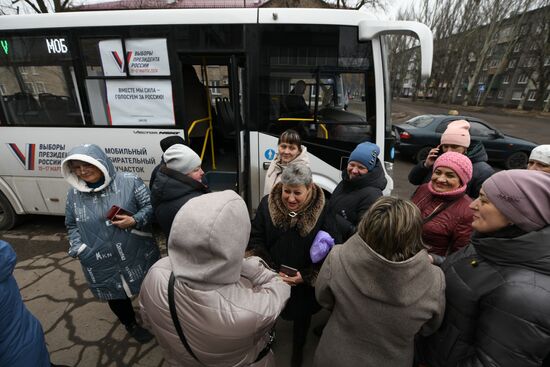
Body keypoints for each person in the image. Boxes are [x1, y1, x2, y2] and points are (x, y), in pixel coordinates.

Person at [139, 190, 290, 367]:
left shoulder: (156, 273)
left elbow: (148, 321)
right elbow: (279, 287)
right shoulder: (248, 312)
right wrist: (245, 264)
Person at [417, 169, 550, 367]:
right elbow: (475, 273)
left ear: (516, 214)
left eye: (484, 200)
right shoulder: (492, 242)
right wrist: (435, 260)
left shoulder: (524, 295)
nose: (472, 205)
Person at [314, 197, 445, 367]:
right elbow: (429, 327)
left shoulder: (337, 256)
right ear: (414, 234)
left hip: (334, 356)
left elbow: (323, 298)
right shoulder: (435, 279)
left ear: (367, 224)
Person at [61, 144, 159, 343]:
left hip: (136, 251)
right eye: (76, 167)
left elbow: (150, 206)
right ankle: (130, 323)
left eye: (87, 165)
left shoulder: (129, 181)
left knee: (150, 287)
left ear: (101, 162)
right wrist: (79, 248)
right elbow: (71, 225)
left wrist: (135, 220)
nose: (82, 171)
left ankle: (160, 318)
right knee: (116, 295)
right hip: (99, 259)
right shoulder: (74, 195)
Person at [249, 163, 326, 367]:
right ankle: (269, 337)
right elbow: (256, 239)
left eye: (297, 193)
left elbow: (332, 249)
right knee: (271, 313)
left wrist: (307, 276)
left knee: (302, 318)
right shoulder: (268, 204)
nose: (291, 198)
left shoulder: (325, 209)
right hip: (272, 277)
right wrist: (267, 270)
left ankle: (298, 350)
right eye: (287, 191)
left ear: (310, 188)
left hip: (303, 284)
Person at [411, 152, 474, 264]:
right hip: (400, 257)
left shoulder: (468, 210)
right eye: (437, 172)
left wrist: (433, 259)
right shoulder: (423, 189)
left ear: (462, 180)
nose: (440, 179)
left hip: (427, 268)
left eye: (450, 175)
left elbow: (459, 257)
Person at [408, 119, 494, 198]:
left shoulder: (483, 171)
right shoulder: (437, 160)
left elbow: (480, 202)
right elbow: (413, 180)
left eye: (454, 147)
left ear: (465, 148)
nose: (449, 151)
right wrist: (426, 165)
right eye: (445, 146)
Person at [324, 141, 387, 244]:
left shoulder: (373, 195)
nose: (354, 170)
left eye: (361, 167)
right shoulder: (347, 181)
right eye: (352, 164)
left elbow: (364, 235)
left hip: (345, 250)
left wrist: (333, 218)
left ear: (370, 170)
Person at [150, 144, 210, 238]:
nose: (202, 172)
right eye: (196, 170)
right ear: (181, 174)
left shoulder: (168, 189)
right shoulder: (186, 205)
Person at [263, 129, 310, 196]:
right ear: (278, 146)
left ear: (299, 151)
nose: (286, 152)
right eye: (283, 146)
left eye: (292, 148)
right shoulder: (275, 162)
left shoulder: (301, 172)